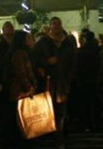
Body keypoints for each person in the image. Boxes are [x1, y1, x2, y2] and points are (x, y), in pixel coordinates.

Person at [33, 17, 77, 148]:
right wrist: (45, 63)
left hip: (63, 82)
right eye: (54, 23)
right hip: (48, 81)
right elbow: (35, 58)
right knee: (47, 111)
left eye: (58, 23)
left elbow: (74, 61)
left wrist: (69, 78)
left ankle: (59, 138)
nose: (57, 26)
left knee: (61, 112)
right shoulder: (43, 43)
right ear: (50, 26)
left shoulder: (68, 42)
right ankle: (51, 136)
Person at [2, 30, 37, 148]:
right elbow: (22, 73)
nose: (31, 40)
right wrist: (29, 87)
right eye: (28, 38)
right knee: (22, 118)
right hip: (21, 91)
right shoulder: (19, 54)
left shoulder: (22, 52)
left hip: (19, 90)